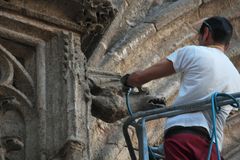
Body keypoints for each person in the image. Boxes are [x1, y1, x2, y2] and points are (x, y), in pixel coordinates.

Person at [122, 16, 240, 160]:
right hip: (212, 148)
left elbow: (141, 77)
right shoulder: (236, 77)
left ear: (206, 33)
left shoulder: (194, 52)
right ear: (227, 46)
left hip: (183, 136)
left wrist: (127, 81)